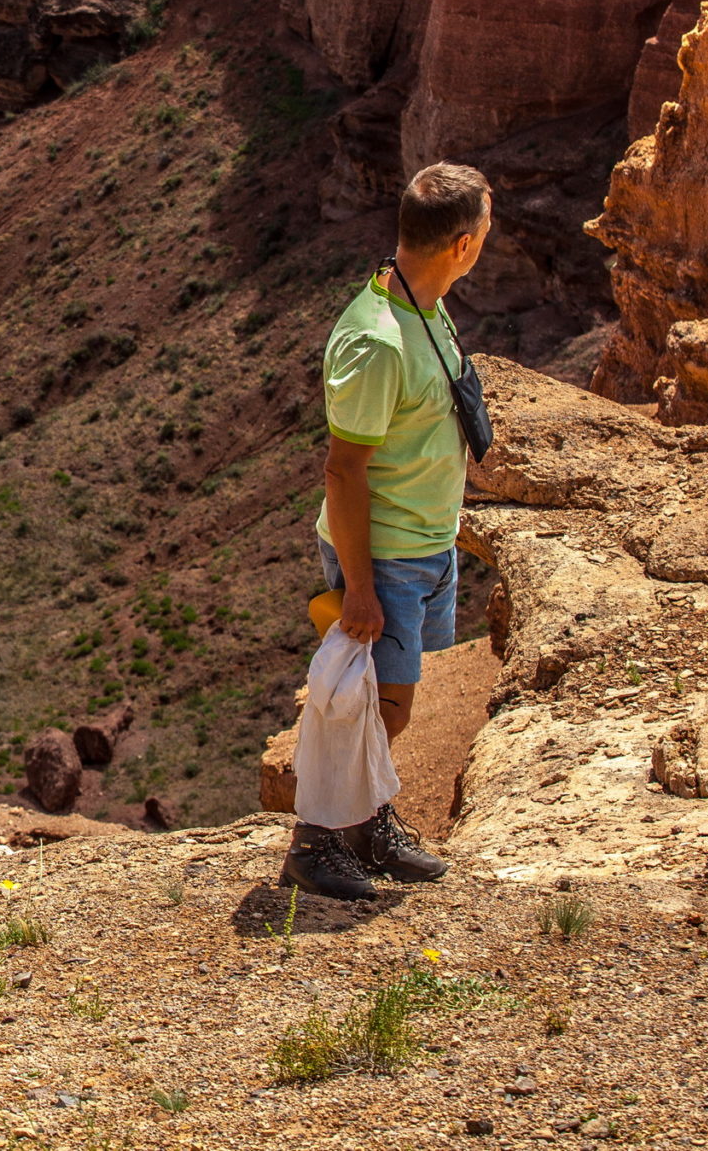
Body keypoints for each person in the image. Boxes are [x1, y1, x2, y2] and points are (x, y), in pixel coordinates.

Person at [280, 162, 492, 902]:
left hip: (427, 545)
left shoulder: (424, 304)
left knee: (388, 701)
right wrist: (362, 587)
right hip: (387, 555)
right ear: (462, 244)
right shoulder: (378, 341)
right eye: (485, 231)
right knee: (370, 704)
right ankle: (316, 842)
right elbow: (343, 472)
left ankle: (367, 825)